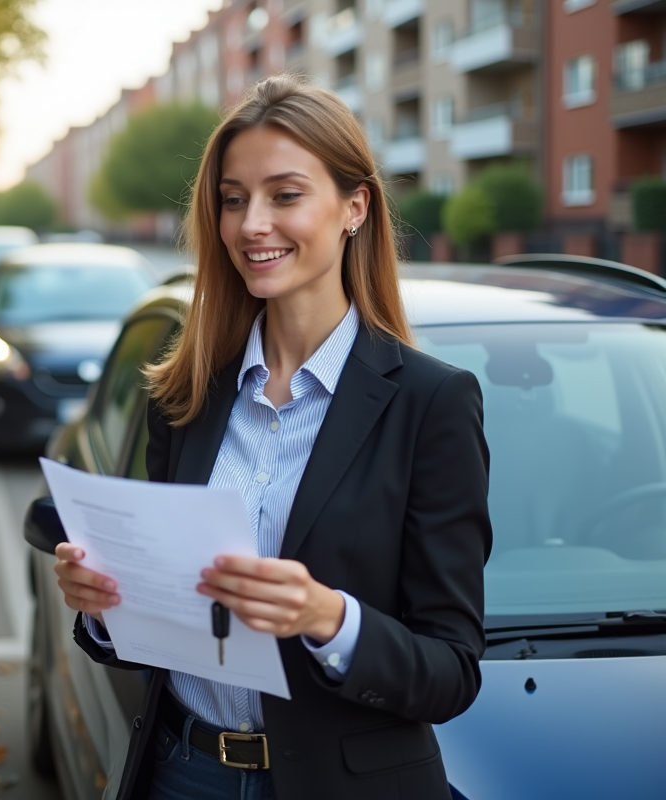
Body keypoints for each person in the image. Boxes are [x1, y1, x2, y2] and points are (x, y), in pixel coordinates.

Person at [52, 74, 492, 800]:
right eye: (233, 199)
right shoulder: (185, 393)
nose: (252, 223)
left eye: (285, 195)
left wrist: (327, 617)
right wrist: (105, 607)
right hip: (182, 774)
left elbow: (451, 669)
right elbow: (157, 627)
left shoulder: (432, 403)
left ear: (355, 207)